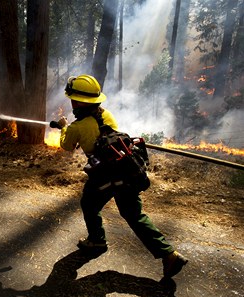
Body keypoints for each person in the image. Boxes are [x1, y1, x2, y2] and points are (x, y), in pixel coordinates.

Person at [55, 74, 188, 278]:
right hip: (126, 170)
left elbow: (66, 145)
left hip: (103, 176)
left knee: (89, 204)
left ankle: (97, 240)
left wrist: (64, 126)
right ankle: (169, 254)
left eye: (72, 98)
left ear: (79, 101)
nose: (71, 101)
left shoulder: (77, 127)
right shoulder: (106, 115)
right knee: (134, 215)